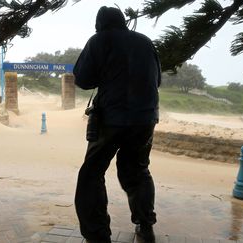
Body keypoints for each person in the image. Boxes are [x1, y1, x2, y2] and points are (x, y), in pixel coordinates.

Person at [73, 6, 161, 243]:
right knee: (137, 170)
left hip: (111, 118)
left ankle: (97, 235)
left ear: (99, 24)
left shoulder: (100, 40)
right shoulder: (145, 42)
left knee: (92, 174)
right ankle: (145, 226)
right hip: (145, 118)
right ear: (123, 21)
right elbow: (157, 79)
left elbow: (82, 78)